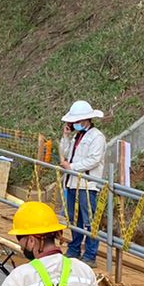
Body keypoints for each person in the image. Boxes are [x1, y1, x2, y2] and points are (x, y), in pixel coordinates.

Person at [58, 100, 107, 265]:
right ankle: (74, 248)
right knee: (74, 219)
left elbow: (94, 160)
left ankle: (90, 255)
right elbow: (65, 153)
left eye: (77, 121)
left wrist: (72, 167)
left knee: (90, 220)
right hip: (73, 183)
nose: (74, 124)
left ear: (86, 119)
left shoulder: (97, 137)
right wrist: (66, 136)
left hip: (87, 185)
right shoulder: (77, 136)